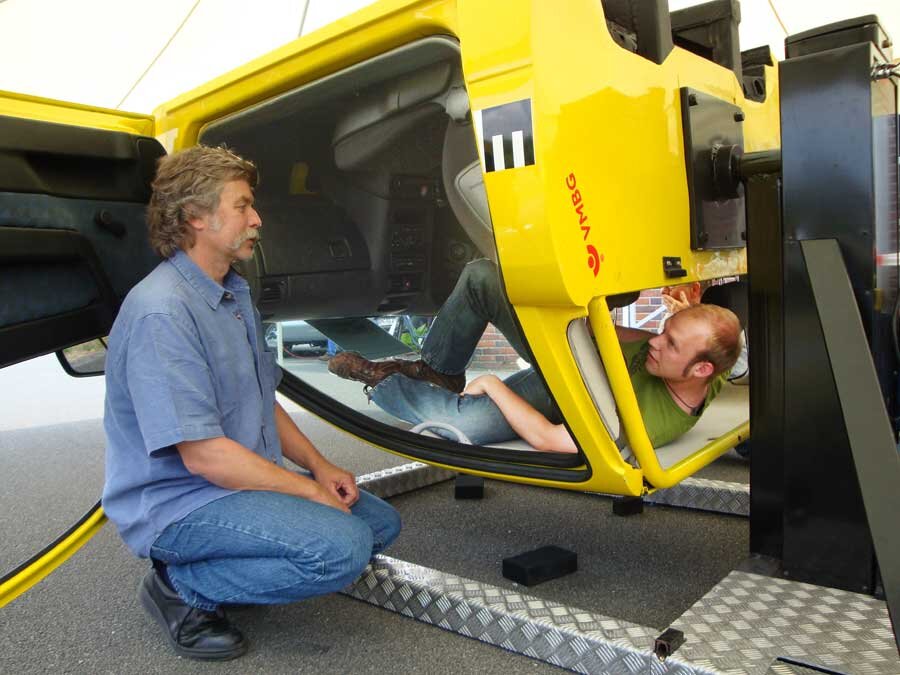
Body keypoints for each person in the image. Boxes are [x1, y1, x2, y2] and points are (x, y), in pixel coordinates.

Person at [102, 146, 401, 661]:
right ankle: (182, 588)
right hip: (180, 503)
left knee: (376, 524)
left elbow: (262, 398)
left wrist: (319, 466)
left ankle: (242, 563)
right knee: (340, 549)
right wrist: (307, 495)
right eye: (242, 206)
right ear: (196, 216)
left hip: (231, 485)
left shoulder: (232, 294)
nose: (257, 218)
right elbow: (203, 456)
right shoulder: (163, 313)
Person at [329, 259, 740, 452]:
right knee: (482, 277)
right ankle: (437, 371)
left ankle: (384, 382)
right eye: (664, 332)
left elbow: (549, 438)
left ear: (700, 369)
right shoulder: (712, 362)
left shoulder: (652, 424)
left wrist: (491, 383)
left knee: (464, 425)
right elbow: (611, 333)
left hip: (565, 395)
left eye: (670, 344)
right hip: (574, 352)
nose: (655, 341)